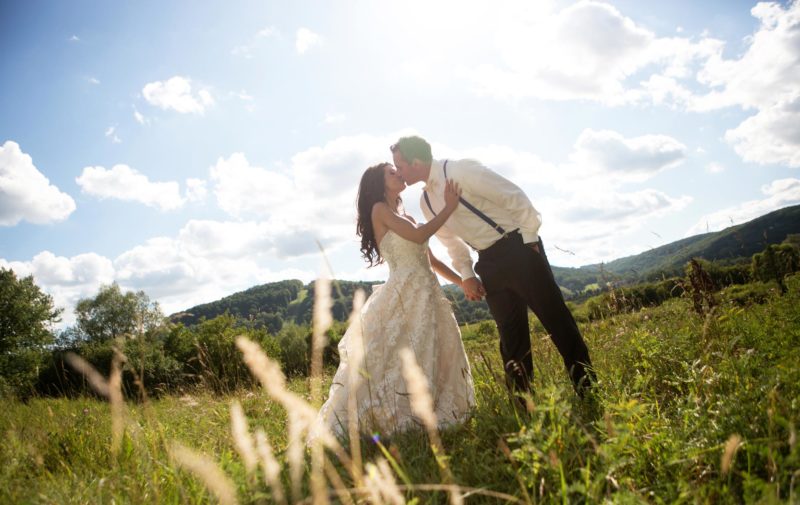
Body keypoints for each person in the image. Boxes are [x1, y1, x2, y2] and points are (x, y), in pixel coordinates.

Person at [390, 136, 596, 398]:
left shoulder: (459, 170)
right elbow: (451, 243)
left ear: (416, 162)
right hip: (486, 261)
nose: (398, 171)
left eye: (400, 165)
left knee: (557, 321)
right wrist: (467, 274)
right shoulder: (425, 202)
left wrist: (530, 242)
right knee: (511, 340)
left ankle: (588, 390)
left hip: (517, 248)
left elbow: (513, 196)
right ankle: (523, 407)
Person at [313, 162, 475, 438]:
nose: (399, 174)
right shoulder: (379, 210)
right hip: (402, 294)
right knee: (398, 358)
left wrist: (464, 282)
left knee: (432, 351)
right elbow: (420, 235)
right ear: (379, 182)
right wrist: (448, 207)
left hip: (427, 294)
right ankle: (395, 415)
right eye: (392, 172)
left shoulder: (406, 215)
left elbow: (431, 260)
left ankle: (429, 410)